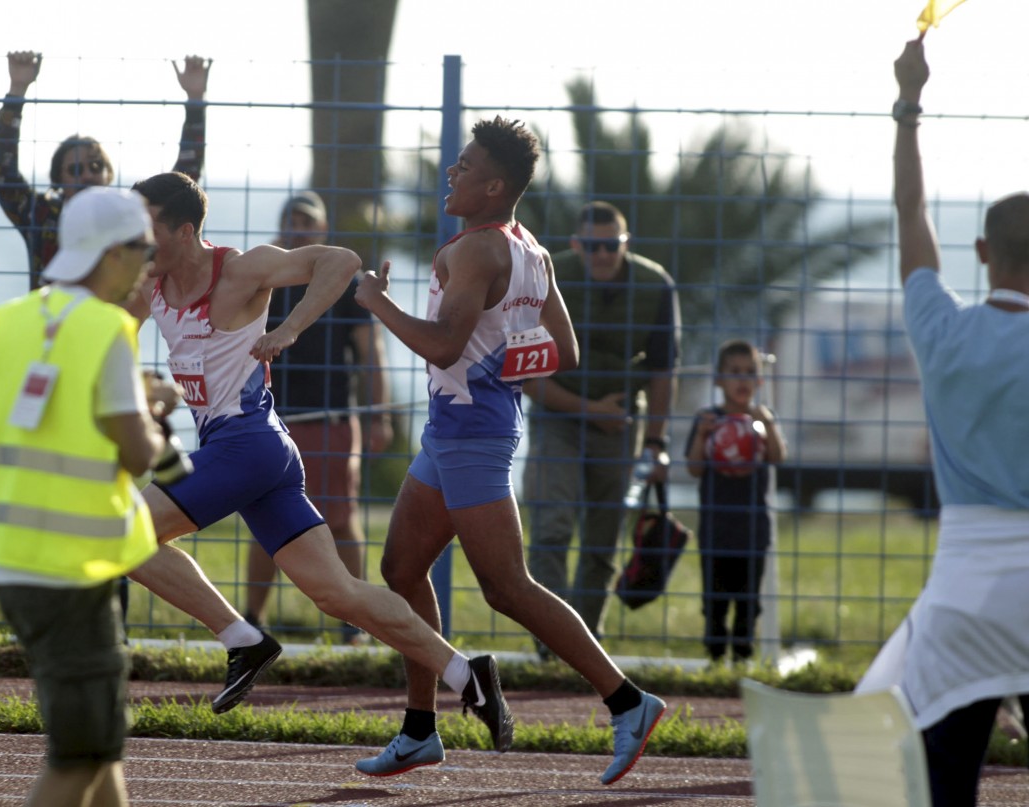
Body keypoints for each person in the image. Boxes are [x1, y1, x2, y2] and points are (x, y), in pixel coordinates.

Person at [122, 171, 512, 743]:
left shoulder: (241, 269)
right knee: (338, 594)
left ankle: (242, 640)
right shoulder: (148, 284)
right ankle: (466, 672)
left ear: (183, 231)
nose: (135, 237)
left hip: (247, 445)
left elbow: (341, 260)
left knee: (120, 535)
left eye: (145, 224)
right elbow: (104, 342)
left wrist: (289, 327)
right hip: (261, 455)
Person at [352, 117, 666, 785]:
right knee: (401, 568)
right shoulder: (533, 250)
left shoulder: (477, 251)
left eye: (463, 166)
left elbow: (441, 346)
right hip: (453, 431)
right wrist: (501, 364)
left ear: (494, 185)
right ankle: (418, 729)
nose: (451, 173)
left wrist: (377, 304)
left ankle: (627, 700)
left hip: (474, 438)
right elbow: (567, 350)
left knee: (507, 587)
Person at [0, 186, 179, 807]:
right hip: (72, 570)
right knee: (77, 760)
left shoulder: (4, 323)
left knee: (100, 751)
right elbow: (142, 456)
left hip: (16, 565)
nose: (150, 263)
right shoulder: (106, 329)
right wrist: (154, 406)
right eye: (143, 249)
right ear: (112, 254)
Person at [853, 40, 1029, 807]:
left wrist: (909, 104)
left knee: (940, 781)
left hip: (962, 595)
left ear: (983, 251)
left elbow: (909, 213)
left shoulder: (940, 326)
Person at [522, 201, 680, 641]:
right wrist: (594, 411)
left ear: (625, 243)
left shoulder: (656, 285)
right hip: (558, 418)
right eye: (593, 247)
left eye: (611, 246)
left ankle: (586, 641)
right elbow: (526, 377)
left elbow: (664, 371)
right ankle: (550, 642)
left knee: (604, 540)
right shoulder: (547, 278)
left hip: (623, 423)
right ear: (577, 244)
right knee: (552, 529)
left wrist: (655, 441)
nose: (603, 256)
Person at [244, 190, 394, 643]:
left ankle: (356, 624)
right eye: (291, 220)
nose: (298, 228)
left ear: (322, 232)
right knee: (264, 521)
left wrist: (378, 416)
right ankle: (253, 621)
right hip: (271, 417)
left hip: (331, 419)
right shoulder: (263, 281)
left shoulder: (346, 289)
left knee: (343, 518)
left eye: (307, 222)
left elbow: (372, 356)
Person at [0, 50, 211, 290]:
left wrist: (195, 100)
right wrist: (17, 89)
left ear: (108, 173)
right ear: (58, 180)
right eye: (74, 169)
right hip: (51, 323)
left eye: (95, 166)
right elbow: (2, 169)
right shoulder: (41, 215)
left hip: (109, 324)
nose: (86, 175)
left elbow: (183, 184)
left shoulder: (129, 214)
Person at [683, 339, 786, 665]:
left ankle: (743, 655)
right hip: (716, 529)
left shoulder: (761, 420)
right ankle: (715, 655)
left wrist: (767, 424)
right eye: (734, 372)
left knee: (748, 599)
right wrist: (702, 436)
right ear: (718, 379)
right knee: (715, 597)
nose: (742, 380)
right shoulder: (707, 419)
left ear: (759, 380)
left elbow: (778, 457)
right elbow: (694, 468)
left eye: (749, 373)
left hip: (754, 529)